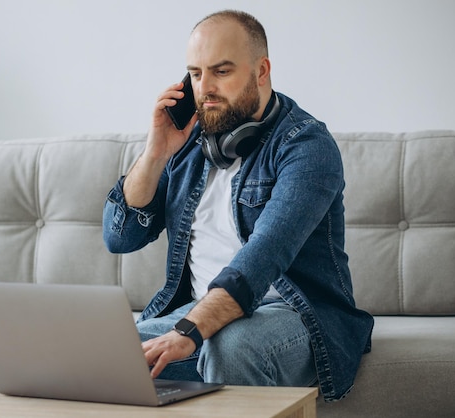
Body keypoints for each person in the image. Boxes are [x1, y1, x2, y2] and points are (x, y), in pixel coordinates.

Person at [102, 9, 373, 402]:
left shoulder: (307, 147)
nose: (204, 87)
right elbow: (118, 236)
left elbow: (264, 256)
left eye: (222, 71)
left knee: (229, 347)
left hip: (294, 313)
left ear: (261, 70)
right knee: (98, 348)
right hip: (198, 312)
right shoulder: (189, 144)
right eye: (195, 74)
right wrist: (156, 152)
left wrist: (189, 332)